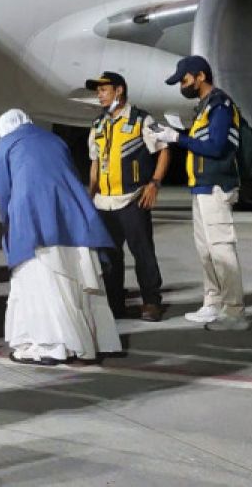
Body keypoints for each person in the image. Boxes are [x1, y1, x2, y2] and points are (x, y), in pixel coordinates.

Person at [0, 109, 121, 365]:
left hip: (33, 221)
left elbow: (4, 192)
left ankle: (53, 346)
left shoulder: (6, 143)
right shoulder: (54, 140)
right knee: (77, 277)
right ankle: (95, 342)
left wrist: (9, 226)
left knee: (41, 283)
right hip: (74, 215)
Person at [154, 55, 248, 331]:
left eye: (184, 80)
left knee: (221, 251)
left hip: (216, 187)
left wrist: (178, 138)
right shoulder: (204, 107)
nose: (182, 86)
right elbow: (202, 142)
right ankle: (213, 302)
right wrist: (180, 132)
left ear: (200, 76)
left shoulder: (220, 105)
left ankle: (234, 312)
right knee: (206, 250)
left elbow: (217, 147)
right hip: (201, 187)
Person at [85, 71, 169, 322]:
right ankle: (115, 305)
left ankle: (152, 302)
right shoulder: (98, 124)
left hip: (132, 199)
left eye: (103, 90)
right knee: (109, 257)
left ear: (119, 90)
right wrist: (90, 196)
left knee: (142, 253)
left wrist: (154, 183)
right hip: (104, 202)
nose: (99, 96)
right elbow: (95, 162)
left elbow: (164, 150)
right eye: (98, 91)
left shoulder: (142, 119)